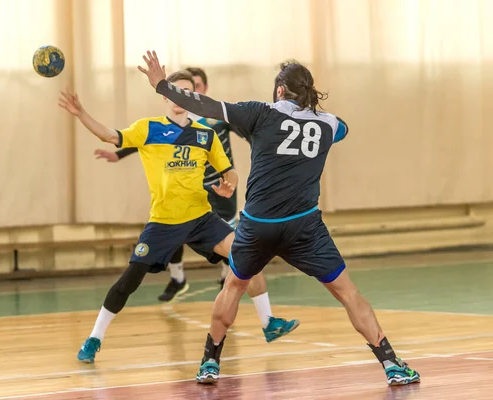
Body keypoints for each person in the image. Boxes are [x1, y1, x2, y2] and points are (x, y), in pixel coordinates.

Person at [139, 51, 421, 386]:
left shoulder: (260, 114)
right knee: (348, 293)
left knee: (233, 286)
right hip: (305, 226)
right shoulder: (329, 124)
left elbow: (208, 106)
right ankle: (391, 364)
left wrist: (162, 86)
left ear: (278, 91)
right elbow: (343, 128)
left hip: (259, 227)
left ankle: (210, 363)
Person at [59, 70, 299, 363]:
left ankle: (269, 323)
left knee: (248, 254)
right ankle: (95, 337)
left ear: (191, 97)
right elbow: (110, 136)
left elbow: (230, 171)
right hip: (163, 222)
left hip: (201, 218)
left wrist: (230, 185)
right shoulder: (148, 128)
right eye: (175, 91)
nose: (179, 97)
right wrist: (82, 112)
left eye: (186, 91)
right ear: (164, 95)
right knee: (129, 281)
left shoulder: (205, 134)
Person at [94, 67, 244, 302]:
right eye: (177, 90)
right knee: (175, 226)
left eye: (193, 88)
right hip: (189, 191)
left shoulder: (215, 121)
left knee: (228, 244)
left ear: (202, 91)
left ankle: (228, 276)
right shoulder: (172, 120)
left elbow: (245, 132)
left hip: (219, 190)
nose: (183, 95)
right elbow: (147, 139)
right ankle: (178, 278)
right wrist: (119, 154)